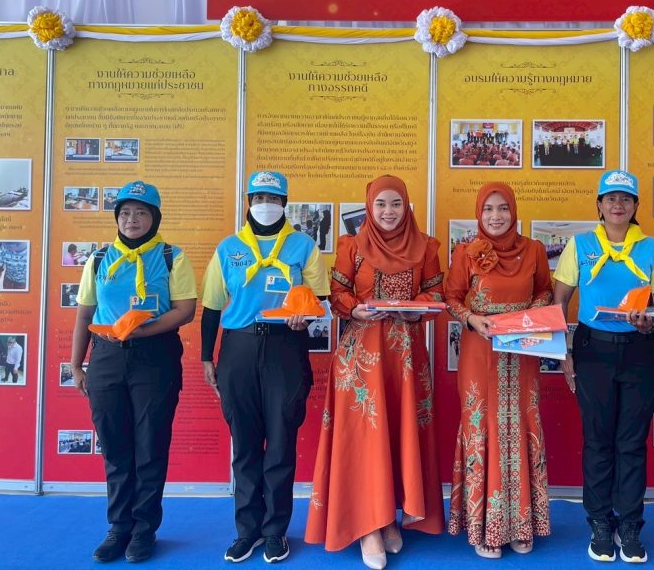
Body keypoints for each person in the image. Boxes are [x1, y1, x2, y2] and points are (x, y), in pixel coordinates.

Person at [306, 175, 445, 568]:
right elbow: (337, 294)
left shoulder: (426, 246)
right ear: (369, 207)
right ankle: (369, 527)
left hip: (406, 358)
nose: (388, 211)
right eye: (381, 204)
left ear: (406, 206)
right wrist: (356, 308)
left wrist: (414, 309)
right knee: (366, 439)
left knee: (399, 434)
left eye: (396, 203)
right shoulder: (351, 246)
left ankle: (389, 519)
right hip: (361, 357)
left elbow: (437, 293)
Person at [200, 171, 330, 565]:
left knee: (280, 442)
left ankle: (275, 531)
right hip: (238, 348)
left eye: (272, 198)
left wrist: (306, 317)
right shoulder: (229, 248)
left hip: (285, 347)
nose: (265, 205)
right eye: (258, 198)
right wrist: (207, 357)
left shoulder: (303, 246)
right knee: (244, 444)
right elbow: (211, 306)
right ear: (249, 202)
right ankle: (247, 531)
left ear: (284, 203)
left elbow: (321, 300)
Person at [553, 170, 654, 563]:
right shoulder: (580, 245)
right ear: (599, 204)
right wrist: (564, 351)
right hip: (593, 351)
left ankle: (630, 524)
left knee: (631, 443)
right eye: (611, 198)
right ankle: (600, 523)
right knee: (598, 441)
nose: (618, 205)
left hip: (640, 351)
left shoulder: (651, 248)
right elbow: (560, 302)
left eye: (626, 198)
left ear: (636, 205)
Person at [69, 181, 197, 564]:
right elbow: (85, 313)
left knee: (150, 445)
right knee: (114, 446)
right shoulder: (99, 259)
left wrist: (142, 330)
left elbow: (185, 310)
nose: (132, 219)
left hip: (155, 357)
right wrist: (76, 364)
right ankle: (118, 527)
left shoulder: (171, 257)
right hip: (106, 358)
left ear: (154, 217)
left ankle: (144, 530)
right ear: (117, 217)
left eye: (141, 213)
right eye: (125, 213)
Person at [445, 182, 553, 558]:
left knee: (521, 423)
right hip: (480, 348)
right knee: (483, 426)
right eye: (488, 209)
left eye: (503, 208)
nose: (496, 216)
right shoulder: (466, 252)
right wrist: (472, 319)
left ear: (514, 211)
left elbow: (545, 291)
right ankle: (484, 526)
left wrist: (527, 316)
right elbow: (451, 298)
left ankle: (522, 524)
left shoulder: (534, 250)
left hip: (522, 348)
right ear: (479, 214)